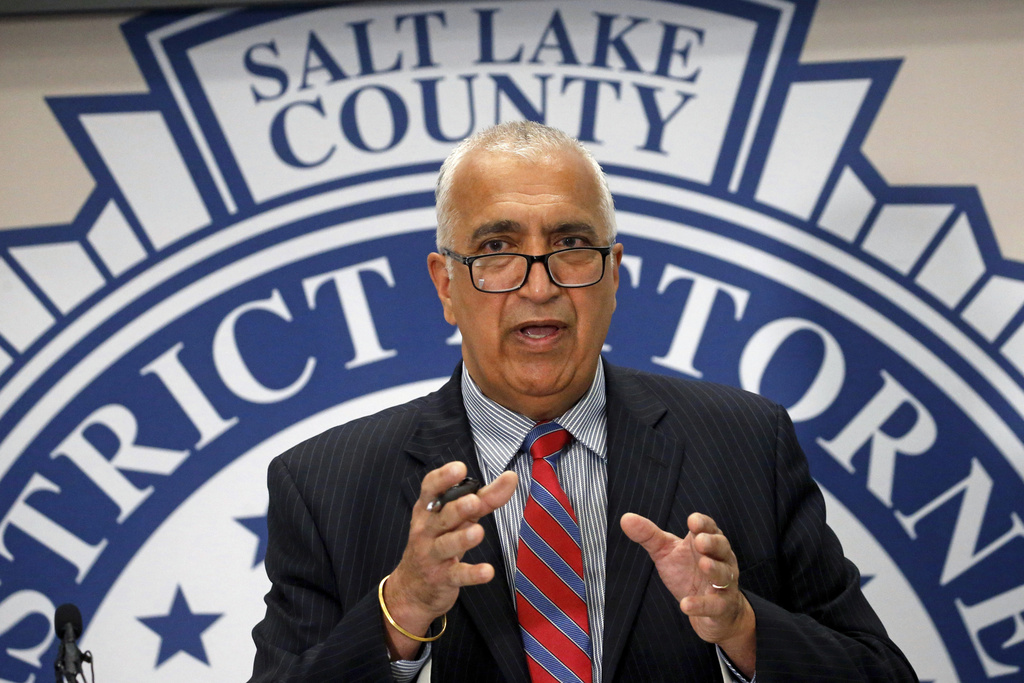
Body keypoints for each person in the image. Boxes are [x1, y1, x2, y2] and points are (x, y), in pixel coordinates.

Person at [248, 121, 918, 682]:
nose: (539, 285)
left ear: (614, 273)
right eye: (498, 248)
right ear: (446, 283)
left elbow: (880, 672)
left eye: (570, 245)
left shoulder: (748, 444)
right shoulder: (325, 485)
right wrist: (401, 612)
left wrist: (741, 627)